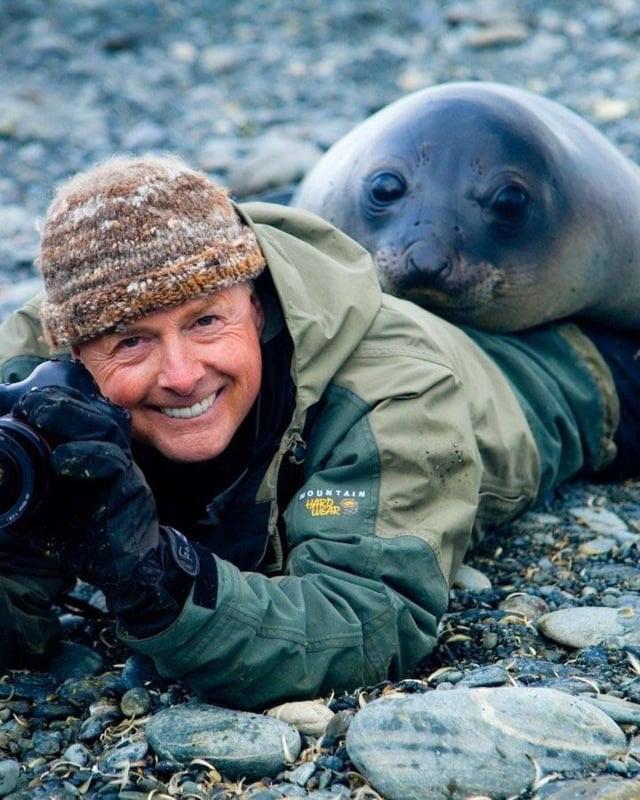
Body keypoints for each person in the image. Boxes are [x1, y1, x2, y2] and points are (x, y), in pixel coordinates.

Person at [0, 155, 635, 710]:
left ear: (254, 305)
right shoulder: (33, 384)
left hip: (569, 377)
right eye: (131, 341)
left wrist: (155, 578)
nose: (182, 375)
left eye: (205, 322)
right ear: (72, 348)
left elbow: (369, 620)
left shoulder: (390, 391)